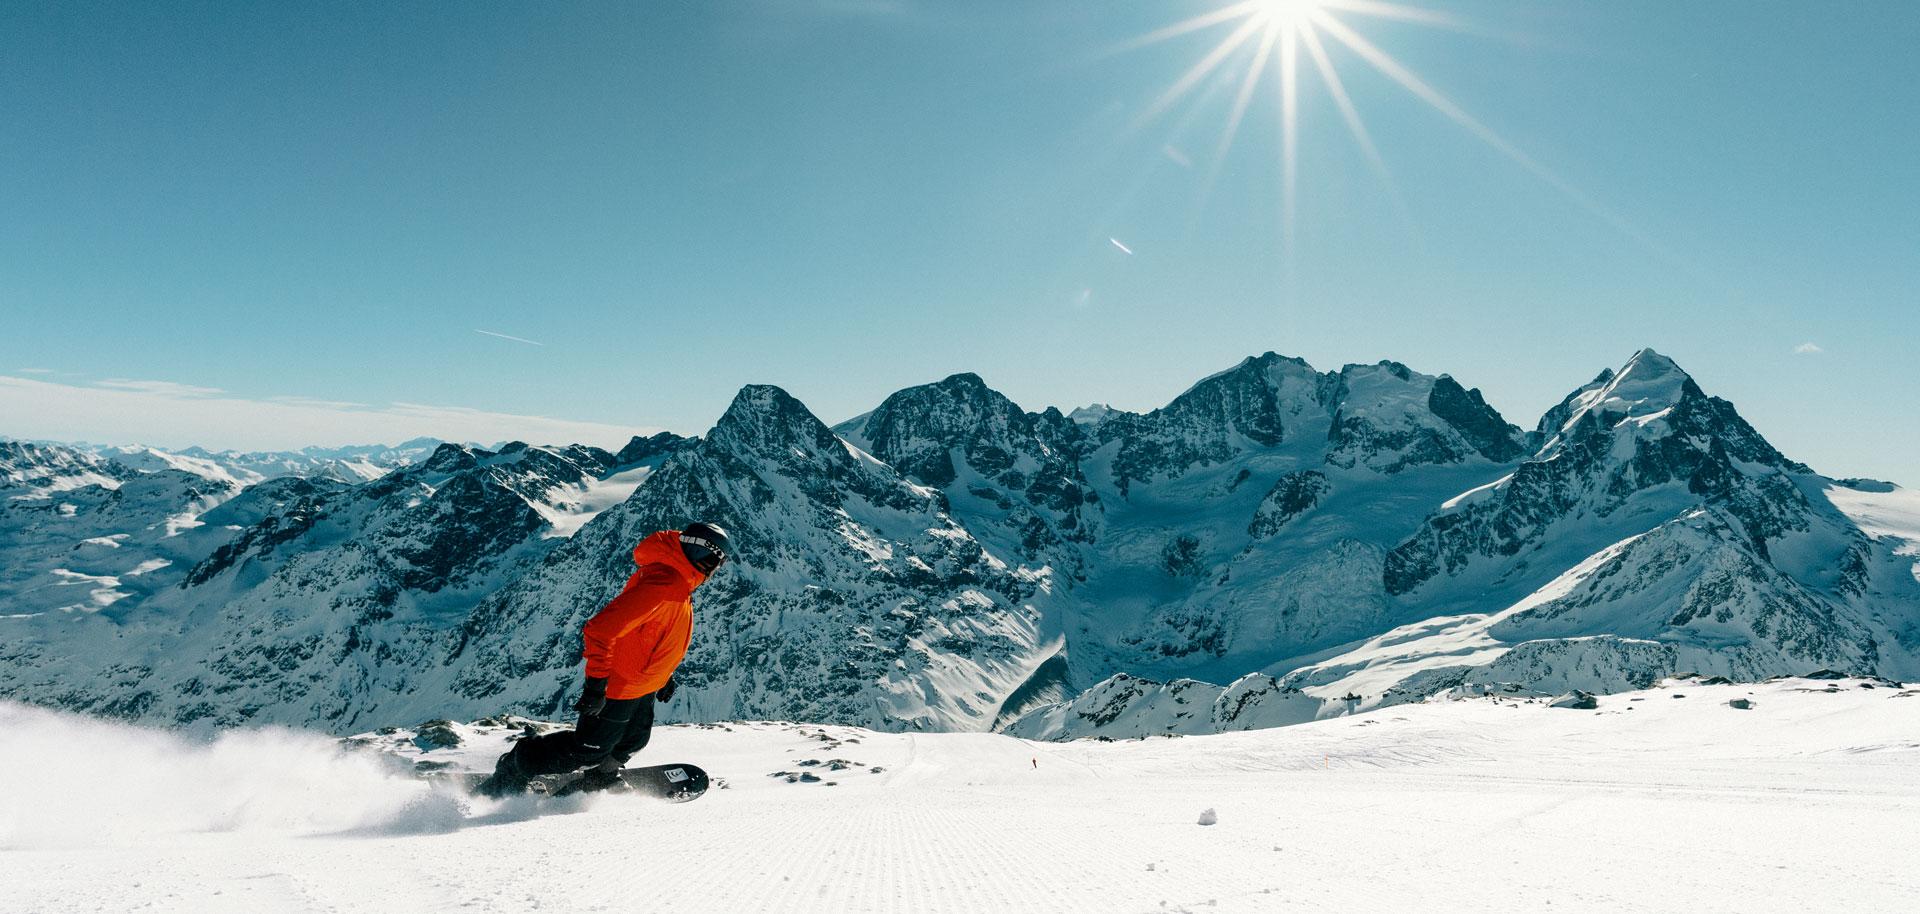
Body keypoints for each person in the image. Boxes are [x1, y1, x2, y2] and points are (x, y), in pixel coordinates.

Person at [477, 522, 731, 797]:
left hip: (643, 684)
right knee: (588, 749)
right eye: (716, 560)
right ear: (701, 553)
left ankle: (600, 778)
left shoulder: (679, 582)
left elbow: (649, 634)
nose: (716, 569)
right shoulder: (665, 583)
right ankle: (515, 766)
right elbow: (601, 630)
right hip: (618, 686)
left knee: (632, 741)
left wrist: (663, 675)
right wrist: (597, 684)